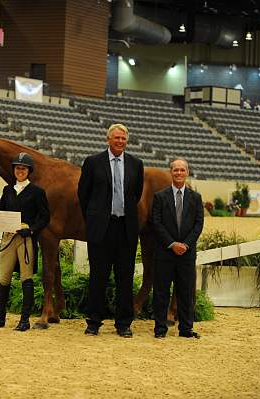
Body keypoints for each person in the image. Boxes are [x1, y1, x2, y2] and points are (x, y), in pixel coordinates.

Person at [77, 123, 144, 338]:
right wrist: (94, 218)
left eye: (123, 139)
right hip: (101, 229)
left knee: (125, 277)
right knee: (98, 276)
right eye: (116, 138)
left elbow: (137, 193)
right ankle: (94, 322)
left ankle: (123, 323)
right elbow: (82, 195)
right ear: (108, 139)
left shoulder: (136, 164)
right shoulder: (93, 162)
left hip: (126, 228)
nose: (120, 141)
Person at [0, 152, 50, 331]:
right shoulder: (8, 190)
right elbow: (0, 211)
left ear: (29, 171)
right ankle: (0, 317)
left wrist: (32, 229)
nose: (20, 171)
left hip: (25, 238)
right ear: (14, 170)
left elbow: (45, 217)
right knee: (3, 277)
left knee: (25, 277)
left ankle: (25, 319)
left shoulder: (37, 192)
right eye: (18, 168)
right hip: (8, 236)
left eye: (24, 168)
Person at [152, 158, 204, 339]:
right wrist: (172, 244)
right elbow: (156, 224)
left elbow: (198, 224)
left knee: (185, 292)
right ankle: (160, 329)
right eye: (176, 170)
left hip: (186, 254)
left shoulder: (196, 198)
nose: (179, 173)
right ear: (170, 173)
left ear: (187, 173)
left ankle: (186, 329)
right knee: (161, 292)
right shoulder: (159, 197)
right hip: (164, 253)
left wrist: (186, 244)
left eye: (182, 170)